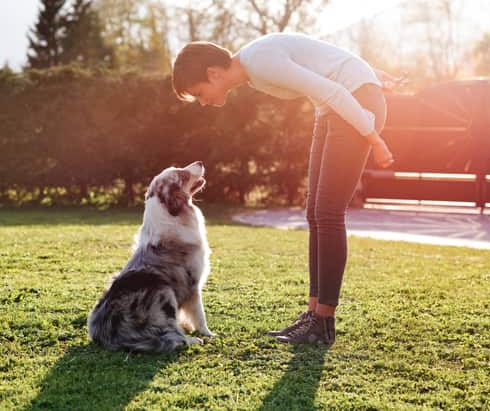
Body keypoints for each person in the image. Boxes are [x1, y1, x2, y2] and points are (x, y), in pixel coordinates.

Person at [171, 32, 403, 345]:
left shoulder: (260, 62)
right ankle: (313, 314)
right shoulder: (255, 68)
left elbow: (332, 87)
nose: (203, 101)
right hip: (334, 107)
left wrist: (373, 137)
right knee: (315, 213)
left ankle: (323, 321)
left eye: (200, 93)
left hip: (352, 104)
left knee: (329, 213)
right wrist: (367, 71)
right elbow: (315, 56)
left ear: (213, 73)